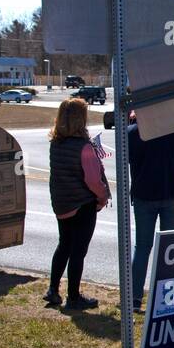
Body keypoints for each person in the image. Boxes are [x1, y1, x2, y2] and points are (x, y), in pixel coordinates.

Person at [127, 117, 174, 310]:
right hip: (171, 194)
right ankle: (167, 299)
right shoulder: (171, 128)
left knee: (142, 247)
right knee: (169, 250)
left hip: (143, 195)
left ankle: (134, 298)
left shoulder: (132, 132)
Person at [46, 98, 108, 310]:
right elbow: (93, 181)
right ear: (80, 119)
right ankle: (73, 296)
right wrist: (102, 197)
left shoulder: (56, 143)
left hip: (62, 203)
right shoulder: (84, 147)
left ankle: (53, 290)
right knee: (78, 251)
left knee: (64, 245)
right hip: (82, 204)